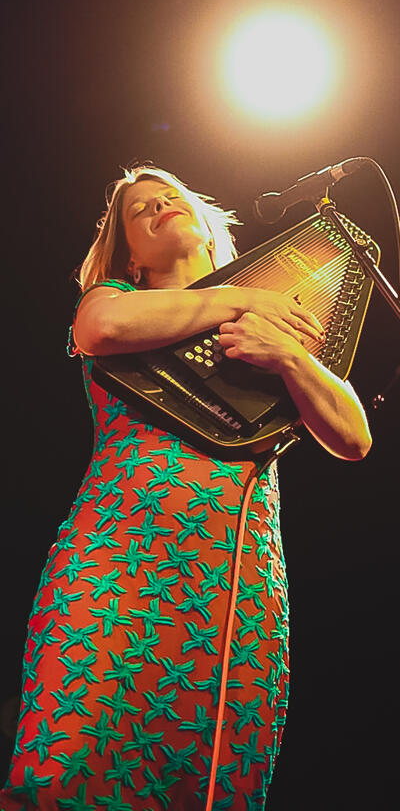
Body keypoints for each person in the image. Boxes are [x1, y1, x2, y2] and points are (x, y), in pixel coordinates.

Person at [0, 165, 372, 809]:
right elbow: (101, 330)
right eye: (138, 209)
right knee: (72, 758)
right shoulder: (115, 299)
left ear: (206, 226)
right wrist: (243, 300)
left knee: (212, 771)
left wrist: (287, 355)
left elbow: (352, 438)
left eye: (170, 196)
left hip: (236, 575)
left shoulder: (275, 326)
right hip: (120, 558)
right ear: (129, 256)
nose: (159, 205)